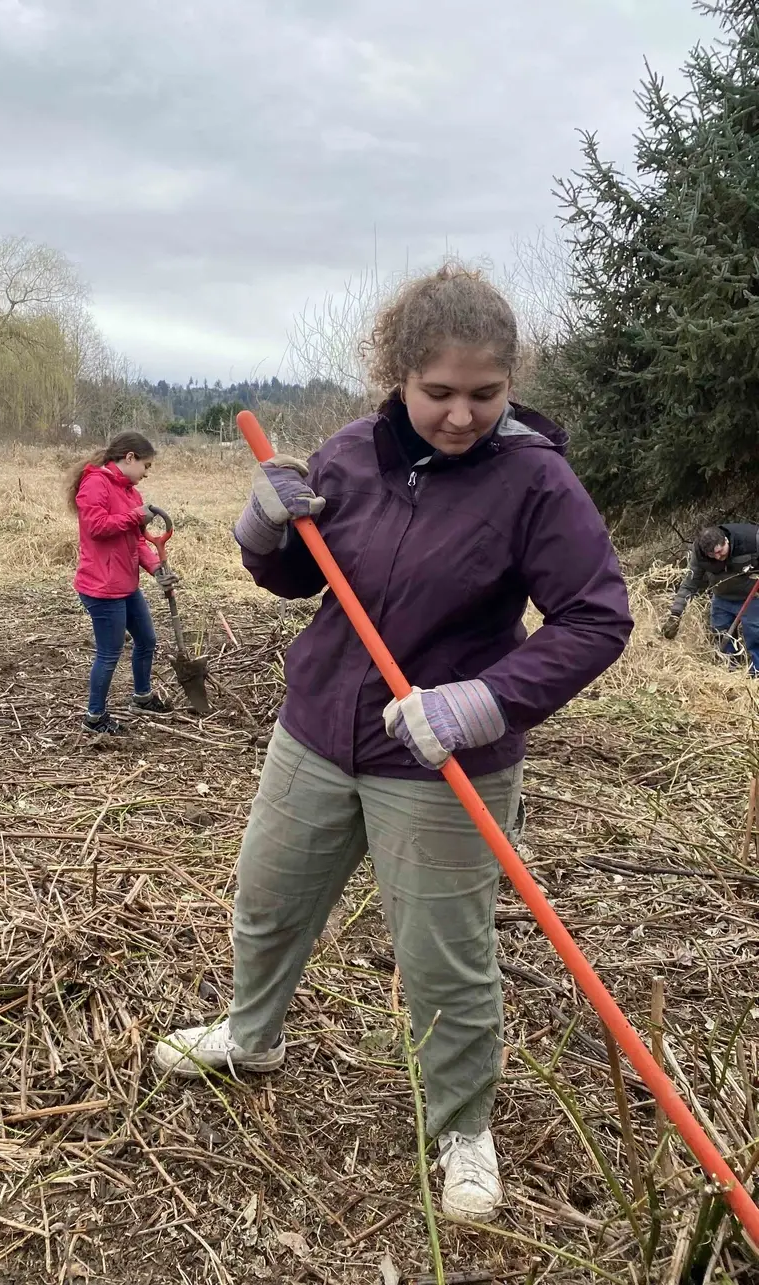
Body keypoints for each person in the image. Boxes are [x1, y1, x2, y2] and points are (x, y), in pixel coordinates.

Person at [153, 267, 633, 1221]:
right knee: (269, 897)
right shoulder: (349, 454)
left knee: (444, 955)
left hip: (444, 758)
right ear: (398, 375)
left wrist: (484, 700)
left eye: (484, 395)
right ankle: (253, 1035)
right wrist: (263, 531)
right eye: (439, 393)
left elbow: (596, 617)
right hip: (321, 726)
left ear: (510, 384)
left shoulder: (536, 479)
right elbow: (298, 577)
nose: (461, 415)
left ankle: (463, 1124)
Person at [68, 431, 178, 736]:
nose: (146, 473)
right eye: (146, 465)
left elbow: (139, 541)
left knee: (147, 639)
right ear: (129, 457)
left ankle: (141, 697)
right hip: (101, 587)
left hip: (126, 583)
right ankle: (94, 718)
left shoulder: (131, 492)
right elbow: (97, 527)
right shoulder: (95, 484)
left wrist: (156, 569)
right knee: (109, 652)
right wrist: (134, 516)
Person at [662, 523, 759, 674]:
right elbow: (690, 583)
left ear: (726, 541)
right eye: (712, 555)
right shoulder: (700, 553)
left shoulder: (752, 539)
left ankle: (757, 674)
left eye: (720, 552)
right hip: (722, 598)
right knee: (720, 632)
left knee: (755, 635)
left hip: (752, 596)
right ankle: (731, 670)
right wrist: (675, 614)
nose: (718, 557)